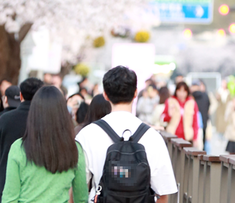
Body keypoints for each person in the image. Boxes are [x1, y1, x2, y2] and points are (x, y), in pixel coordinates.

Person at [76, 66, 178, 203]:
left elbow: (79, 187)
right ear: (135, 93)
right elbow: (163, 193)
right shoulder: (152, 136)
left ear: (105, 94)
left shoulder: (87, 135)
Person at [0, 85, 87, 202]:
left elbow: (10, 198)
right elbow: (81, 198)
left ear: (34, 113)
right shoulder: (74, 149)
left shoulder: (19, 147)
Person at [0, 77, 44, 197]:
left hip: (6, 181)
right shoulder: (44, 120)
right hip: (35, 186)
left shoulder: (4, 119)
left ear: (21, 96)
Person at [191, 81, 212, 150]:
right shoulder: (205, 95)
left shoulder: (190, 97)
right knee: (202, 147)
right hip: (203, 123)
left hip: (193, 125)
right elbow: (208, 107)